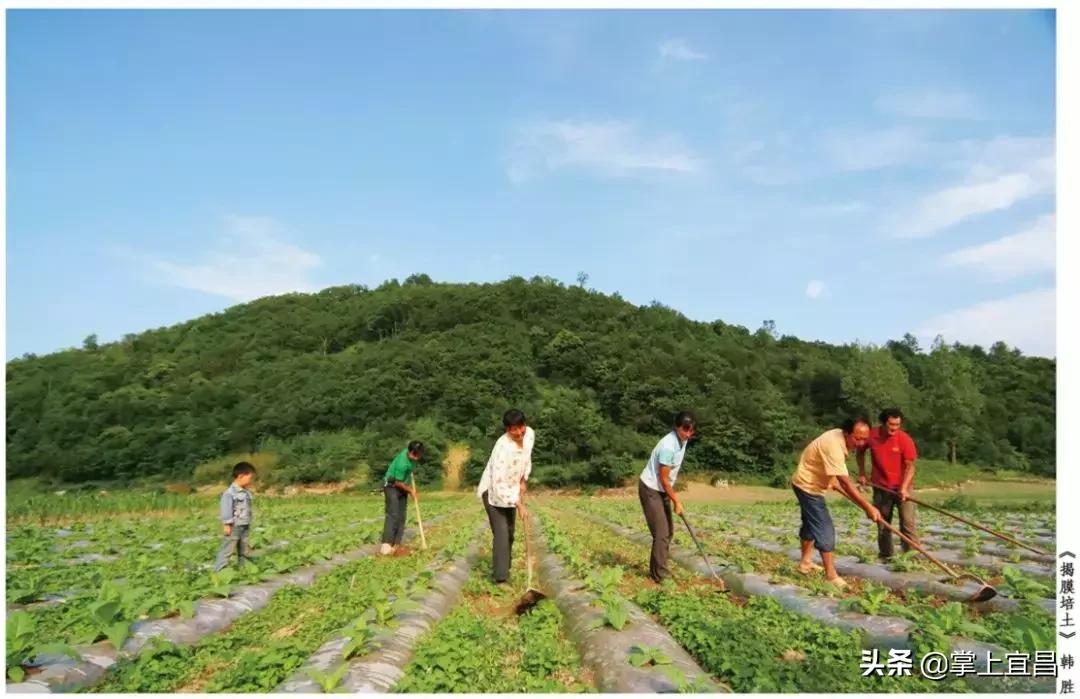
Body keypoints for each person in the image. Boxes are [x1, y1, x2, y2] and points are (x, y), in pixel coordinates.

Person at [791, 419, 882, 588]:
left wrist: (831, 479)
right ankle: (831, 576)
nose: (861, 443)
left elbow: (828, 465)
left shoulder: (839, 438)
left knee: (810, 524)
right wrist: (868, 507)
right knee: (824, 526)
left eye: (865, 439)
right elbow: (846, 483)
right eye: (857, 438)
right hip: (808, 486)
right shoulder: (833, 445)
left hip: (809, 481)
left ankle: (805, 563)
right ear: (847, 433)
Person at [476, 409, 534, 584]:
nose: (518, 433)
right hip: (493, 493)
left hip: (512, 489)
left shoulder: (529, 434)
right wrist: (518, 503)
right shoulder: (502, 448)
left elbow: (526, 457)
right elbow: (498, 483)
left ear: (525, 424)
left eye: (520, 427)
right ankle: (500, 579)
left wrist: (524, 479)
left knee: (510, 533)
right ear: (506, 430)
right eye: (513, 429)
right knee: (501, 533)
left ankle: (505, 571)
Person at [638, 411, 696, 583]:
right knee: (661, 533)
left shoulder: (682, 440)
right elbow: (664, 479)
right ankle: (660, 575)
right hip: (651, 488)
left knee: (668, 532)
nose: (688, 434)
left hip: (662, 489)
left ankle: (655, 570)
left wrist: (672, 498)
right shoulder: (668, 446)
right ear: (677, 427)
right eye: (685, 429)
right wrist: (676, 500)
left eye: (691, 430)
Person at [857, 408, 919, 560]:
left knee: (907, 524)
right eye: (891, 424)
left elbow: (910, 466)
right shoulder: (872, 435)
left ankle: (912, 558)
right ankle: (886, 556)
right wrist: (862, 473)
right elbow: (860, 451)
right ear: (883, 423)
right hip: (881, 487)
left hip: (903, 488)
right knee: (883, 524)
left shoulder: (904, 439)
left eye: (897, 425)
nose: (894, 428)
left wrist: (904, 488)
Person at [380, 441, 425, 556]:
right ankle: (386, 545)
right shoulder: (402, 462)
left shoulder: (413, 459)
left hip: (402, 486)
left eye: (418, 455)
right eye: (414, 455)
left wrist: (409, 488)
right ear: (409, 452)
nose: (416, 457)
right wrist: (410, 491)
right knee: (393, 513)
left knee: (402, 515)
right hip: (391, 486)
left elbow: (407, 476)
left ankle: (397, 544)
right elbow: (398, 482)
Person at [213, 461, 257, 571]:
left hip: (244, 524)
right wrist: (227, 524)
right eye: (250, 478)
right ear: (241, 476)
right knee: (228, 549)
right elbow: (226, 509)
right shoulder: (230, 493)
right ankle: (219, 570)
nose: (251, 481)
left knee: (244, 548)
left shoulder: (246, 492)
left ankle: (244, 568)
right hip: (234, 525)